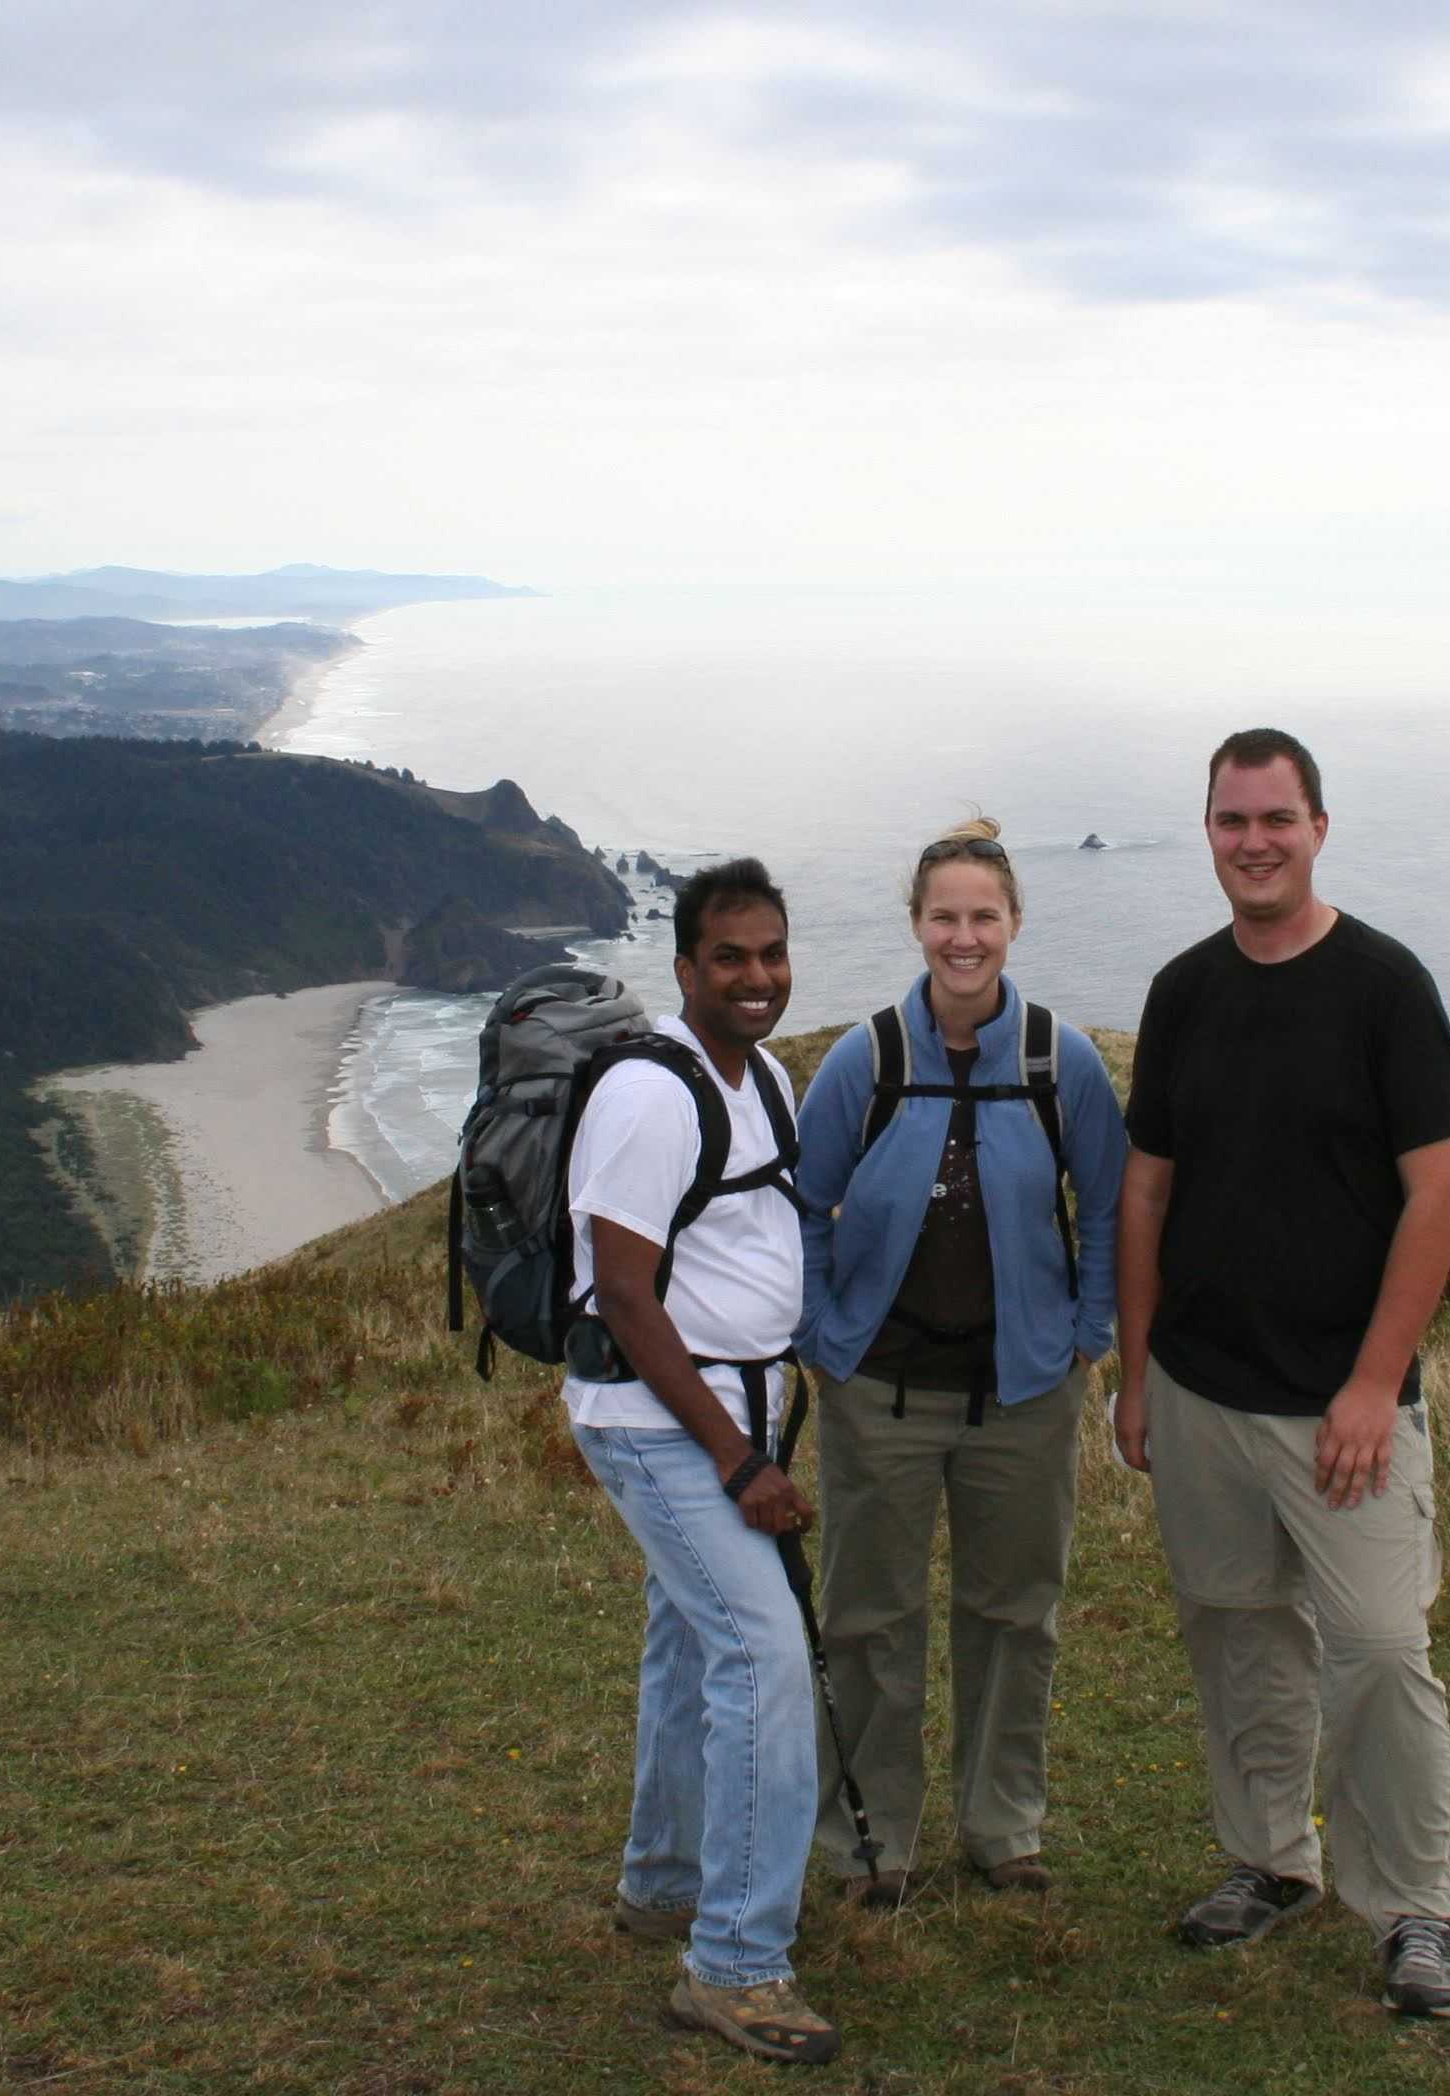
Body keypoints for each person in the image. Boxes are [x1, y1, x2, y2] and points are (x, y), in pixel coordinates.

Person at [1111, 729, 1450, 2020]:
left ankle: (1418, 1907)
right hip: (1202, 1390)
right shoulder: (1183, 992)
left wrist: (1376, 1385)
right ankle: (1271, 1861)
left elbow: (1440, 1191)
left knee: (1380, 1647)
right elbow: (1146, 1189)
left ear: (1320, 825)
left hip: (1344, 1403)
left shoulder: (1385, 986)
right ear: (1207, 832)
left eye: (1275, 819)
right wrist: (1135, 1369)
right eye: (1230, 821)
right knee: (1236, 1634)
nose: (1254, 843)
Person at [790, 819, 1128, 1905]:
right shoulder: (867, 1057)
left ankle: (1003, 1827)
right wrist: (821, 1338)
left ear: (1015, 923)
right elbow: (796, 1206)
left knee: (1015, 1613)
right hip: (877, 1388)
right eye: (946, 917)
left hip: (1023, 1394)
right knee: (866, 1621)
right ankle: (869, 1843)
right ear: (917, 924)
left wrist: (1086, 1334)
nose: (965, 937)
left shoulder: (1057, 1062)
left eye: (984, 917)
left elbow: (1112, 1207)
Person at [562, 858, 840, 2065]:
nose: (758, 977)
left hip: (732, 1411)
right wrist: (740, 1463)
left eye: (772, 953)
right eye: (731, 957)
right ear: (684, 970)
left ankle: (664, 1881)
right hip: (658, 1422)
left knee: (688, 1638)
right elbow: (625, 1296)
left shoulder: (766, 1078)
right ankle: (734, 1965)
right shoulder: (649, 1096)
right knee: (762, 1658)